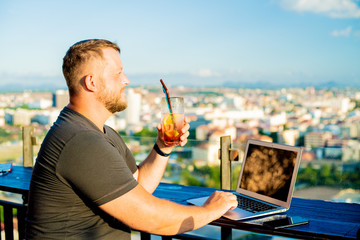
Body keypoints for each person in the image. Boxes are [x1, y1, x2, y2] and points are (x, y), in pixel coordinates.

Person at [25, 39, 237, 240]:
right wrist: (210, 210)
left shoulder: (100, 132)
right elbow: (152, 218)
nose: (126, 80)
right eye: (118, 73)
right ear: (91, 82)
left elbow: (138, 186)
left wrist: (163, 147)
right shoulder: (81, 140)